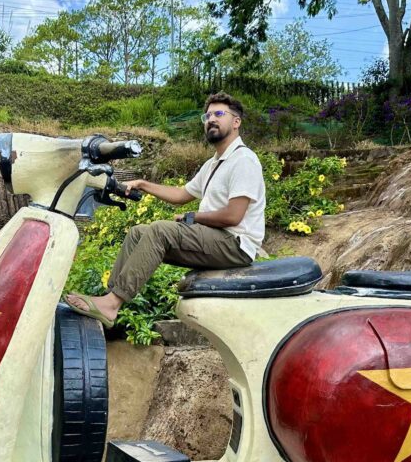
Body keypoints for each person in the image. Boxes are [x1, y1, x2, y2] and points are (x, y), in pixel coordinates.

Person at [66, 91, 266, 327]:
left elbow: (234, 216)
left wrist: (193, 217)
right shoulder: (213, 164)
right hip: (215, 239)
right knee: (139, 232)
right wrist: (142, 183)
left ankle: (111, 304)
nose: (211, 119)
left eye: (219, 114)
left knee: (160, 230)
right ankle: (109, 300)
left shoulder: (243, 160)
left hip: (235, 244)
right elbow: (181, 195)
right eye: (207, 115)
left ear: (236, 121)